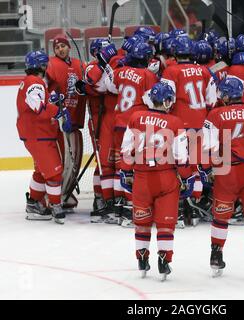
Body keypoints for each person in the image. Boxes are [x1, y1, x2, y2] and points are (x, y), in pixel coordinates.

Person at [119, 81, 194, 281]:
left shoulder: (135, 117)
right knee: (165, 224)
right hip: (165, 178)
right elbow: (181, 156)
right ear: (168, 101)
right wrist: (188, 177)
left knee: (142, 223)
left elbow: (126, 149)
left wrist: (125, 172)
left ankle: (142, 259)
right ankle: (164, 259)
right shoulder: (175, 122)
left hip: (141, 178)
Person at [200, 76, 244, 279]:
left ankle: (216, 254)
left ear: (224, 95)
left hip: (226, 171)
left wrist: (207, 169)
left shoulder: (214, 114)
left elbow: (208, 146)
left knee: (220, 217)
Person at [161, 35, 217, 227]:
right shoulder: (204, 70)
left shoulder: (170, 71)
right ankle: (193, 206)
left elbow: (167, 100)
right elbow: (212, 100)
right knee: (196, 166)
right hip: (200, 124)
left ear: (175, 53)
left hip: (179, 126)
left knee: (177, 165)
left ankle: (179, 204)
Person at [102, 41, 159, 227]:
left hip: (119, 123)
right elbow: (151, 100)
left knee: (121, 165)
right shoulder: (148, 75)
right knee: (136, 167)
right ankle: (130, 207)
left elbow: (109, 86)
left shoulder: (121, 71)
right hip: (136, 124)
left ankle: (119, 206)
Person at [17, 50, 72, 225]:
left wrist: (52, 100)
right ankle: (56, 206)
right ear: (41, 65)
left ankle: (34, 203)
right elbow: (37, 107)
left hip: (33, 135)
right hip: (39, 135)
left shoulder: (30, 81)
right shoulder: (35, 82)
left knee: (41, 172)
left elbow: (38, 103)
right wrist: (57, 110)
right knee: (54, 174)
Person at [75, 38, 120, 223]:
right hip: (98, 121)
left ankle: (113, 197)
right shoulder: (91, 67)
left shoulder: (113, 66)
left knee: (114, 161)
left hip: (112, 119)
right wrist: (102, 63)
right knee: (103, 163)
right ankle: (100, 198)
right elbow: (92, 82)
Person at [45, 34, 86, 213]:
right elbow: (44, 88)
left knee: (75, 159)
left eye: (63, 46)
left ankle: (65, 192)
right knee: (62, 160)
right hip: (59, 122)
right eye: (57, 47)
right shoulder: (51, 64)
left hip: (75, 118)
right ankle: (55, 195)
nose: (60, 49)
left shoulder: (79, 65)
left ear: (69, 47)